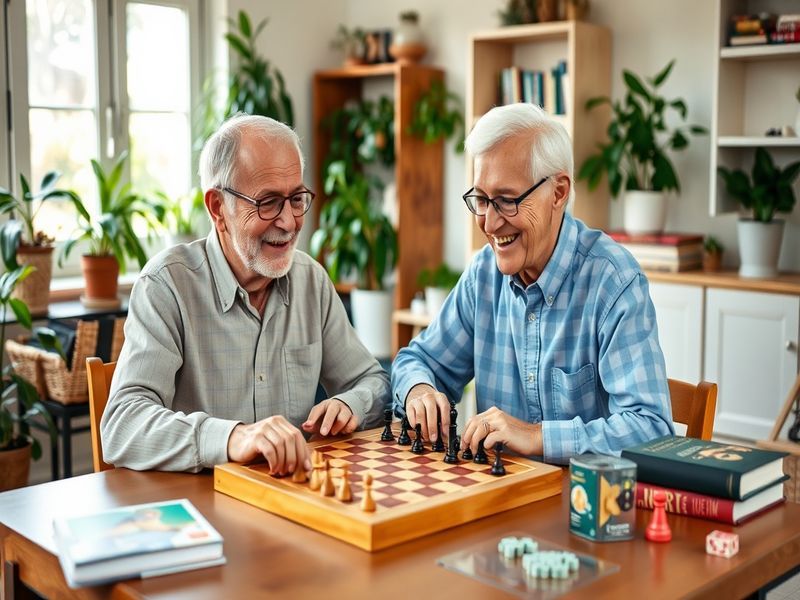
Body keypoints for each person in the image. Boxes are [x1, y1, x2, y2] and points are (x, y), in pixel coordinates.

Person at [102, 114, 390, 474]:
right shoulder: (166, 285)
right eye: (268, 202)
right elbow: (122, 425)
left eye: (297, 198)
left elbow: (373, 382)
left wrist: (352, 404)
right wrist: (232, 438)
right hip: (204, 509)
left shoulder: (311, 281)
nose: (288, 222)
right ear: (218, 208)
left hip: (292, 506)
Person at [391, 103, 673, 464]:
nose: (489, 224)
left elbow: (651, 430)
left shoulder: (613, 282)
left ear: (558, 193)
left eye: (507, 201)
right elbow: (416, 360)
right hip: (500, 502)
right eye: (480, 199)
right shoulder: (483, 276)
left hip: (584, 507)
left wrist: (536, 436)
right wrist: (419, 389)